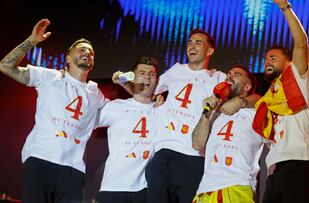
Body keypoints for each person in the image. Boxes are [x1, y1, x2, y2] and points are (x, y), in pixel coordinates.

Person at [145, 29, 259, 203]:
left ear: (210, 51)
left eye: (198, 43)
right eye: (190, 42)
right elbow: (148, 92)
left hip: (194, 156)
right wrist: (153, 96)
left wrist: (240, 102)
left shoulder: (219, 77)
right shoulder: (175, 70)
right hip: (164, 150)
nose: (192, 46)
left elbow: (256, 98)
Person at [0, 19, 107, 203]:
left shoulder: (96, 93)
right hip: (41, 158)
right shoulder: (49, 77)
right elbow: (5, 66)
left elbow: (123, 113)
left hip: (73, 169)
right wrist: (32, 41)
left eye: (91, 52)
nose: (87, 53)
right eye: (81, 49)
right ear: (67, 57)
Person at [251, 1, 309, 202]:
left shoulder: (297, 78)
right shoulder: (266, 101)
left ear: (289, 62)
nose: (267, 61)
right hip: (275, 170)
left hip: (300, 162)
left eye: (273, 58)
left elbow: (301, 43)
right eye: (265, 59)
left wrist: (284, 7)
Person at [192, 65, 265, 203]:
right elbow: (197, 144)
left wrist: (241, 101)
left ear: (247, 87)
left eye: (237, 75)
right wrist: (206, 114)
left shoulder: (255, 113)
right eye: (229, 74)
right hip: (204, 190)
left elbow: (264, 101)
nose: (230, 76)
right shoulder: (214, 114)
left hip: (236, 186)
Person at [96, 57, 159, 203]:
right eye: (142, 72)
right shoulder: (115, 106)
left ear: (156, 80)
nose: (147, 77)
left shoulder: (162, 110)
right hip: (112, 187)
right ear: (133, 77)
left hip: (144, 190)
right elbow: (85, 122)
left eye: (151, 74)